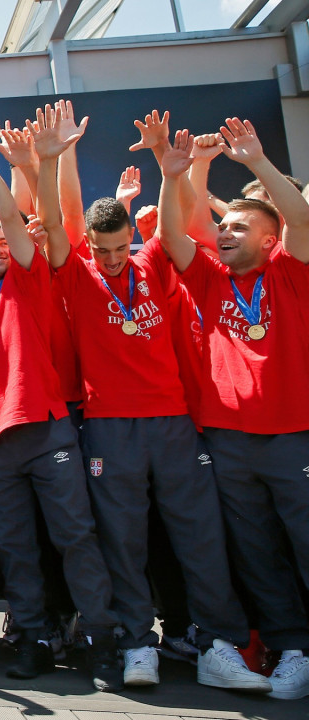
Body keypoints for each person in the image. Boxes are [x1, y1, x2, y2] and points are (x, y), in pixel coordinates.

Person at [48, 138, 269, 692]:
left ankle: (218, 647)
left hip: (172, 422)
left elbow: (172, 231)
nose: (113, 258)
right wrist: (54, 158)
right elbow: (59, 221)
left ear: (131, 239)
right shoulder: (76, 272)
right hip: (108, 425)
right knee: (122, 539)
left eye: (120, 247)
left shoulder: (153, 261)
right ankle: (136, 644)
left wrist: (174, 174)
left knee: (200, 535)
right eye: (103, 250)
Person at [0, 111, 123, 691]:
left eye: (8, 242)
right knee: (16, 549)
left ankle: (103, 642)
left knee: (75, 537)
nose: (1, 247)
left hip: (49, 429)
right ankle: (29, 638)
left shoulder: (29, 278)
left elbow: (24, 216)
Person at [157, 121, 309, 701]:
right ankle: (293, 648)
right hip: (227, 440)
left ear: (271, 239)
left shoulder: (291, 272)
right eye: (222, 225)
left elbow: (301, 219)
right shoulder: (210, 280)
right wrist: (174, 176)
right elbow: (174, 235)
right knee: (257, 552)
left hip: (293, 435)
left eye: (239, 226)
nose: (223, 232)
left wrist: (257, 164)